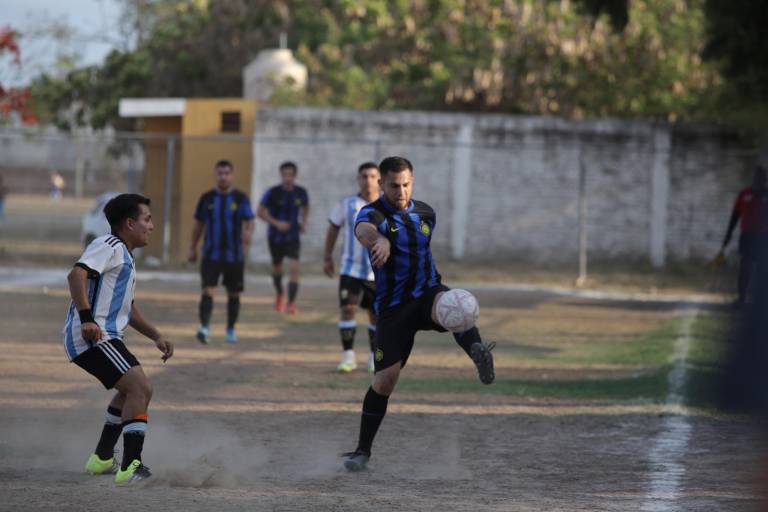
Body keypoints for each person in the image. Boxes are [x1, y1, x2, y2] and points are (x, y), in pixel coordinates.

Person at [342, 156, 496, 472]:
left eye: (406, 184)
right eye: (394, 185)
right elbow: (364, 230)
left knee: (455, 306)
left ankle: (477, 351)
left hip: (427, 293)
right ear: (382, 185)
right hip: (394, 309)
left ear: (412, 181)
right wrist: (379, 239)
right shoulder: (372, 212)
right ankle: (362, 451)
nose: (401, 191)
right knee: (384, 382)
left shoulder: (426, 213)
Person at [63, 193, 173, 484]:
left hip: (106, 333)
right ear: (129, 223)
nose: (152, 225)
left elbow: (127, 307)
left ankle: (101, 459)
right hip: (92, 333)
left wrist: (155, 335)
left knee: (132, 391)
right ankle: (130, 466)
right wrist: (87, 319)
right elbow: (76, 275)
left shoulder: (124, 255)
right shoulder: (108, 245)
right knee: (140, 385)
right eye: (147, 219)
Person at [188, 160, 255, 344]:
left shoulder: (241, 198)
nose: (223, 176)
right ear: (215, 175)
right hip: (211, 254)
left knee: (234, 293)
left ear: (232, 176)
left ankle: (231, 330)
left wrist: (248, 232)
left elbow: (250, 219)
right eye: (220, 173)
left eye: (227, 173)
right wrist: (192, 248)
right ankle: (204, 328)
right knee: (208, 290)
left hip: (235, 255)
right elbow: (198, 225)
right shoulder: (207, 198)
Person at [323, 162, 381, 373]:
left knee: (376, 315)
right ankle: (348, 357)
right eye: (364, 176)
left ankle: (374, 357)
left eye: (372, 176)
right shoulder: (347, 204)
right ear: (358, 179)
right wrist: (327, 256)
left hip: (378, 272)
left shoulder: (387, 206)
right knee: (347, 309)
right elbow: (333, 228)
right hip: (350, 269)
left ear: (379, 180)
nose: (368, 180)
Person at [257, 161, 309, 314]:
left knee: (294, 269)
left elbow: (306, 206)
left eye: (290, 175)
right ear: (281, 175)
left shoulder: (301, 192)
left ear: (295, 176)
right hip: (275, 237)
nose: (287, 178)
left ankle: (291, 303)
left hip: (293, 236)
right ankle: (280, 294)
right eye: (285, 175)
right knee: (277, 268)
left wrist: (304, 222)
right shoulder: (272, 192)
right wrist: (276, 223)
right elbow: (260, 212)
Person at [718, 165, 768, 305]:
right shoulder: (744, 194)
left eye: (762, 178)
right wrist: (728, 235)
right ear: (753, 179)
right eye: (757, 177)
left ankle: (760, 301)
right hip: (748, 236)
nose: (759, 180)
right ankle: (741, 298)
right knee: (745, 267)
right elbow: (735, 216)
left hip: (764, 238)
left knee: (763, 269)